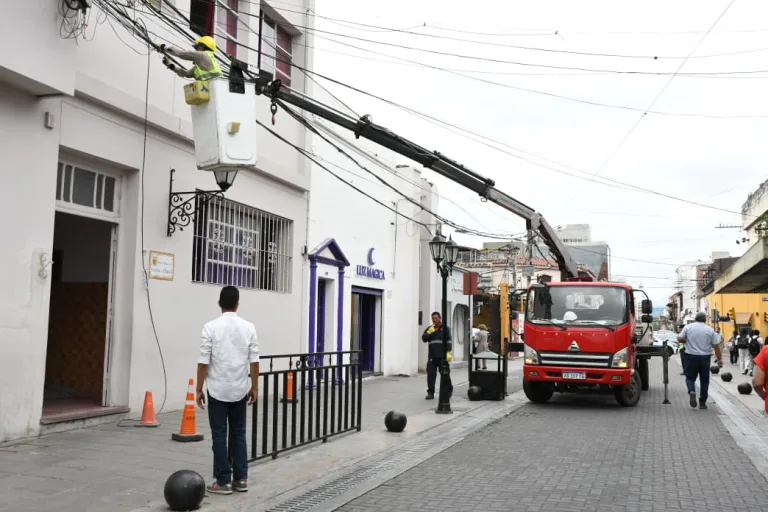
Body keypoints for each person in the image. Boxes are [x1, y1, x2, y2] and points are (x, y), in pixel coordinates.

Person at [196, 286, 259, 495]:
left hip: (216, 390)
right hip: (240, 389)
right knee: (239, 433)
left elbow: (203, 362)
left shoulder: (210, 327)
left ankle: (222, 481)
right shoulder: (249, 327)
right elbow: (254, 361)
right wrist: (255, 387)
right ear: (237, 304)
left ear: (219, 303)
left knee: (219, 435)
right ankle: (241, 479)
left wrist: (198, 388)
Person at [677, 312, 722, 410]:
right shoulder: (710, 330)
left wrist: (687, 340)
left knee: (690, 377)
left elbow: (680, 338)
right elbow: (716, 346)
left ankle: (691, 390)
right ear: (705, 319)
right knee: (704, 381)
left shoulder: (688, 327)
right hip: (705, 358)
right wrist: (719, 359)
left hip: (691, 356)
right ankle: (702, 403)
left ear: (695, 319)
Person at [421, 312, 452, 400]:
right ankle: (430, 393)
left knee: (445, 375)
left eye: (436, 318)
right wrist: (428, 333)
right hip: (432, 356)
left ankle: (448, 390)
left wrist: (448, 352)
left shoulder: (445, 329)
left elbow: (449, 340)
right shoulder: (430, 329)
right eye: (433, 318)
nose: (434, 320)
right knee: (430, 375)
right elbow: (423, 339)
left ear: (440, 318)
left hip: (442, 356)